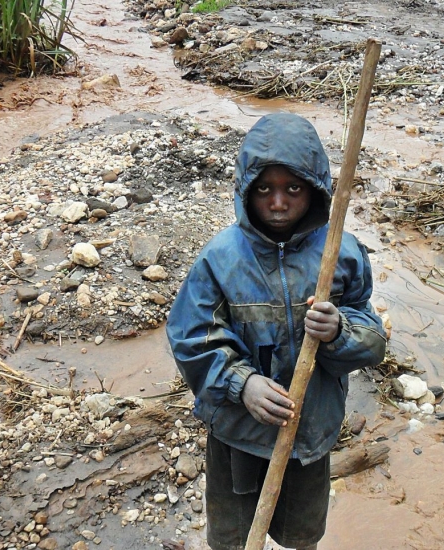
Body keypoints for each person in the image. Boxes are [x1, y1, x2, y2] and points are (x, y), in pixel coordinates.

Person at [166, 113, 387, 550]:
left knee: (301, 536)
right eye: (265, 188)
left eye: (294, 188)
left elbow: (373, 338)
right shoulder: (221, 258)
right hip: (238, 434)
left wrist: (339, 331)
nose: (279, 203)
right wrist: (240, 383)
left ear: (317, 190)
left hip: (309, 434)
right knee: (231, 539)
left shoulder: (340, 251)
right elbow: (191, 336)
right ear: (246, 189)